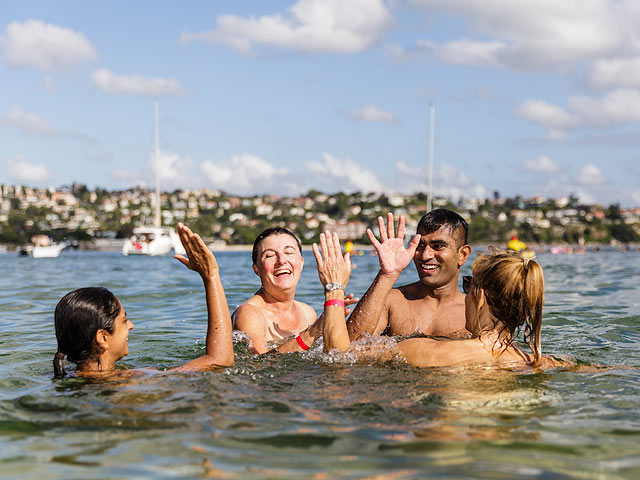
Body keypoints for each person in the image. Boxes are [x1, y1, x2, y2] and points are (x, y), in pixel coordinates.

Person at [315, 232, 567, 369]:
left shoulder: (427, 351)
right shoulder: (534, 361)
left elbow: (338, 357)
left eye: (469, 286)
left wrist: (333, 287)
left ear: (480, 297)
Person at [53, 223, 234, 377]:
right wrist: (211, 277)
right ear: (102, 337)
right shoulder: (132, 382)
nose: (131, 325)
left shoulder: (65, 375)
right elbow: (221, 360)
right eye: (124, 320)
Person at [347, 210, 471, 340]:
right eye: (420, 245)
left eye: (438, 246)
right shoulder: (393, 301)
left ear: (463, 255)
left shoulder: (475, 312)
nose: (425, 255)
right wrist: (387, 274)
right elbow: (350, 348)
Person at [233, 227, 357, 354]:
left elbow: (333, 355)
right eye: (269, 255)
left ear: (301, 263)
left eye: (289, 252)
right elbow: (260, 364)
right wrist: (314, 330)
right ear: (257, 269)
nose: (281, 260)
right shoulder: (249, 314)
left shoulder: (307, 313)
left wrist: (333, 315)